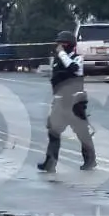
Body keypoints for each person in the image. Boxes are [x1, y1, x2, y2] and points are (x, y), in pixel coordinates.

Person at [37, 31, 97, 173]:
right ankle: (50, 163)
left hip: (75, 102)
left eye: (62, 44)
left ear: (70, 45)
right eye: (59, 44)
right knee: (53, 133)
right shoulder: (57, 60)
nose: (60, 47)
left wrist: (62, 55)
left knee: (82, 133)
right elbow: (55, 78)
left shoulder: (78, 59)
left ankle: (90, 160)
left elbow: (73, 69)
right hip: (60, 102)